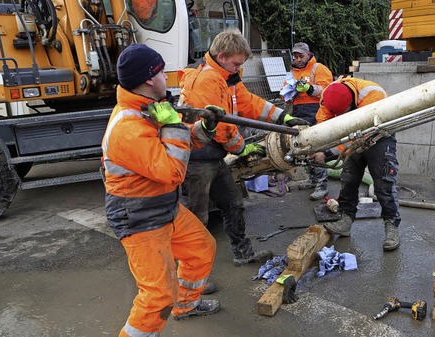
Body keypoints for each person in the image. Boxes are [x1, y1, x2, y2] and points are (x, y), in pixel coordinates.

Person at [102, 43, 225, 335]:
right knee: (158, 296)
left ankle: (186, 305)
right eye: (161, 72)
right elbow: (172, 172)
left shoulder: (148, 109)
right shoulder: (127, 128)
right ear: (149, 79)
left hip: (162, 207)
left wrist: (202, 131)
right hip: (139, 217)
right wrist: (174, 126)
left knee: (201, 249)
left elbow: (173, 149)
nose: (167, 78)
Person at [178, 29, 309, 266]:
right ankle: (189, 272)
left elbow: (250, 104)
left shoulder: (226, 77)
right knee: (197, 218)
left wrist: (283, 119)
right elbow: (219, 126)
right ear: (221, 56)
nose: (239, 68)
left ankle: (243, 253)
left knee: (233, 204)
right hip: (197, 158)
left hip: (213, 157)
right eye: (236, 63)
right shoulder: (207, 80)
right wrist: (240, 148)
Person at [315, 79, 402, 251]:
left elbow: (362, 135)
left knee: (383, 182)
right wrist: (318, 145)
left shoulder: (373, 95)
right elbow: (322, 124)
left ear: (352, 103)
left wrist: (327, 153)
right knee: (348, 179)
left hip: (378, 135)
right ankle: (345, 220)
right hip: (351, 135)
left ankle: (391, 225)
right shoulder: (328, 96)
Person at [285, 42, 333, 200]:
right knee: (304, 147)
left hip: (316, 111)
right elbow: (285, 90)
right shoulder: (293, 72)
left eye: (301, 56)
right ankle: (313, 180)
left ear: (308, 55)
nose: (298, 59)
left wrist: (309, 88)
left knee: (316, 147)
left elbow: (327, 91)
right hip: (298, 112)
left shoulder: (318, 69)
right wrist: (288, 93)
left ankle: (322, 185)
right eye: (296, 56)